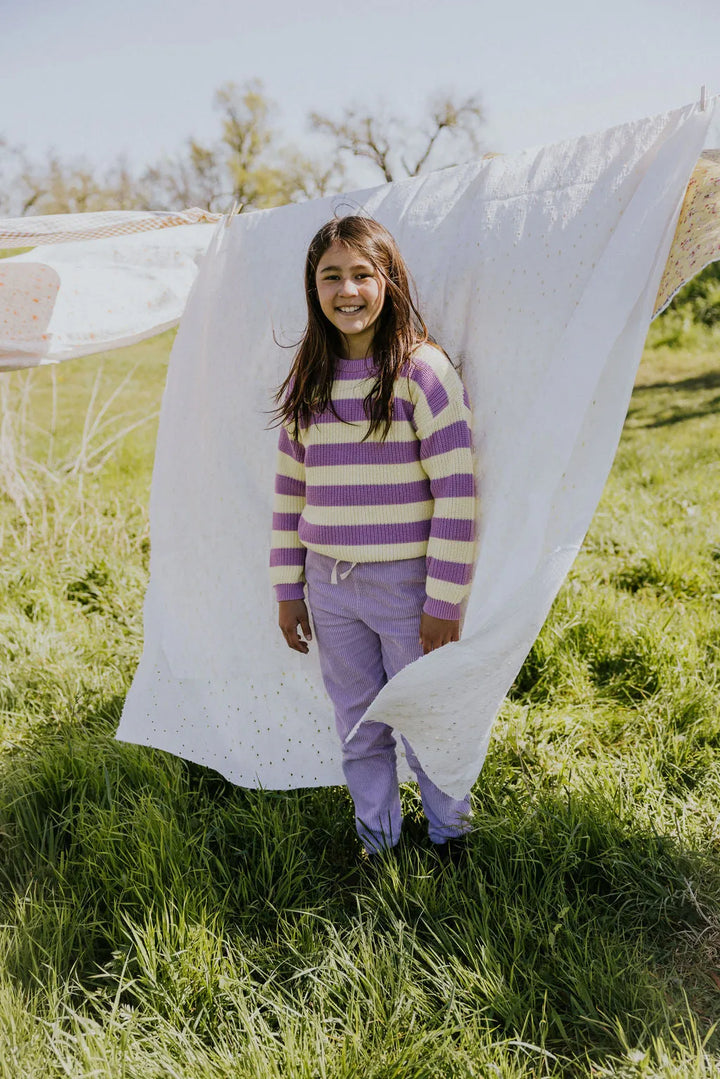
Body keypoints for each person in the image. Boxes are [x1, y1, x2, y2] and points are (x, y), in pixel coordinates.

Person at [269, 215, 477, 862]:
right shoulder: (309, 380)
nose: (348, 290)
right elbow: (289, 494)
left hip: (407, 587)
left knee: (424, 714)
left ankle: (450, 836)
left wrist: (444, 600)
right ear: (313, 288)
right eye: (331, 276)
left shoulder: (422, 371)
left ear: (390, 281)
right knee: (358, 721)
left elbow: (457, 491)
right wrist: (288, 589)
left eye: (363, 274)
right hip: (330, 586)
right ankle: (378, 841)